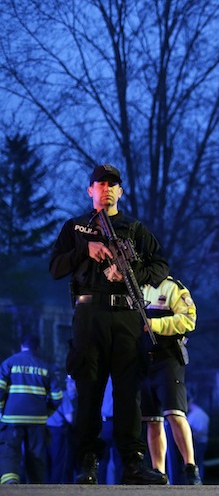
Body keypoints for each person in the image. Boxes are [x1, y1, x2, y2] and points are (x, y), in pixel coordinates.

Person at [49, 163, 169, 485]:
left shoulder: (135, 229)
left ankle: (133, 464)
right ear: (90, 190)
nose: (106, 189)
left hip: (127, 314)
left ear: (120, 191)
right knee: (89, 390)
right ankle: (87, 463)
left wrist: (133, 275)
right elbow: (55, 267)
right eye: (100, 184)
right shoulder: (75, 228)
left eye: (112, 184)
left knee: (129, 394)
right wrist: (83, 250)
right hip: (89, 315)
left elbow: (161, 265)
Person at [139, 276, 201, 485]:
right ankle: (159, 472)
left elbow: (189, 320)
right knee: (152, 420)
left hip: (168, 358)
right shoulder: (136, 287)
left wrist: (154, 324)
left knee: (174, 413)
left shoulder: (172, 287)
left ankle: (190, 467)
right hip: (143, 360)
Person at [0, 335, 62, 484]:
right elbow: (57, 397)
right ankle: (36, 486)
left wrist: (2, 410)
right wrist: (46, 413)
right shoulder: (46, 368)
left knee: (10, 450)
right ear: (38, 348)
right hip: (37, 419)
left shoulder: (8, 363)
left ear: (22, 346)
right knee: (36, 454)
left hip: (12, 418)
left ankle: (10, 482)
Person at [46, 374, 77, 483]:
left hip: (44, 430)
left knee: (45, 463)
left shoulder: (45, 394)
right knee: (58, 463)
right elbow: (70, 418)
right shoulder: (63, 396)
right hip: (58, 433)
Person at [186, 396, 209, 481]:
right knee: (200, 463)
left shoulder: (192, 416)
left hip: (195, 443)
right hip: (203, 442)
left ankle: (193, 480)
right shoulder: (205, 415)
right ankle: (200, 479)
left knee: (193, 463)